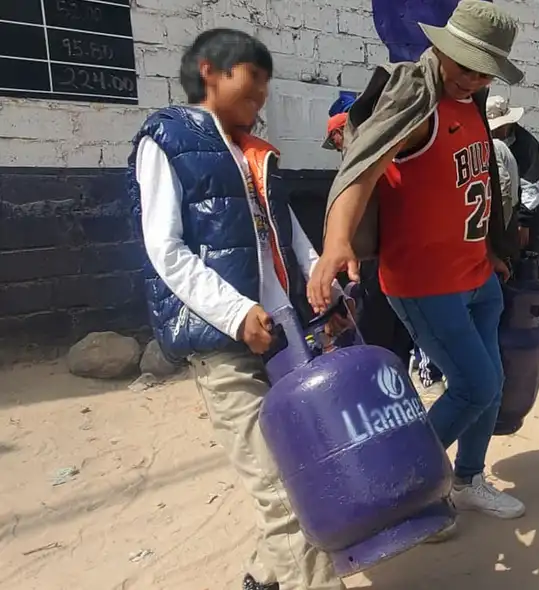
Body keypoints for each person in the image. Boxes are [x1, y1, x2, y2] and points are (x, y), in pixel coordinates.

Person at [129, 29, 346, 590]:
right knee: (284, 490)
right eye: (253, 80)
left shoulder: (254, 151)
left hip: (284, 336)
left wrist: (322, 277)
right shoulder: (168, 140)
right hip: (226, 345)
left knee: (302, 470)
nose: (263, 96)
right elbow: (165, 250)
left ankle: (261, 577)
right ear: (211, 72)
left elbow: (289, 232)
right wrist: (234, 313)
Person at [308, 0, 526, 528]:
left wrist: (491, 251)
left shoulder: (471, 101)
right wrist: (338, 240)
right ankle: (402, 491)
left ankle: (467, 479)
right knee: (473, 386)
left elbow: (472, 184)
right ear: (442, 48)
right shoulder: (415, 94)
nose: (472, 78)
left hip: (477, 275)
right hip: (427, 284)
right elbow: (361, 169)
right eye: (465, 64)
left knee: (490, 385)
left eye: (483, 70)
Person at [323, 108, 445, 389]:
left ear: (341, 133)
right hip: (399, 253)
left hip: (381, 257)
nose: (337, 146)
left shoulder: (363, 164)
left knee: (380, 322)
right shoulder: (379, 158)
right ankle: (397, 379)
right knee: (400, 320)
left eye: (335, 139)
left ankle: (383, 382)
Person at [487, 95, 539, 328]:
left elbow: (531, 186)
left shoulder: (526, 143)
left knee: (527, 262)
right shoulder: (487, 138)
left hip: (522, 212)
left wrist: (523, 222)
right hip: (495, 213)